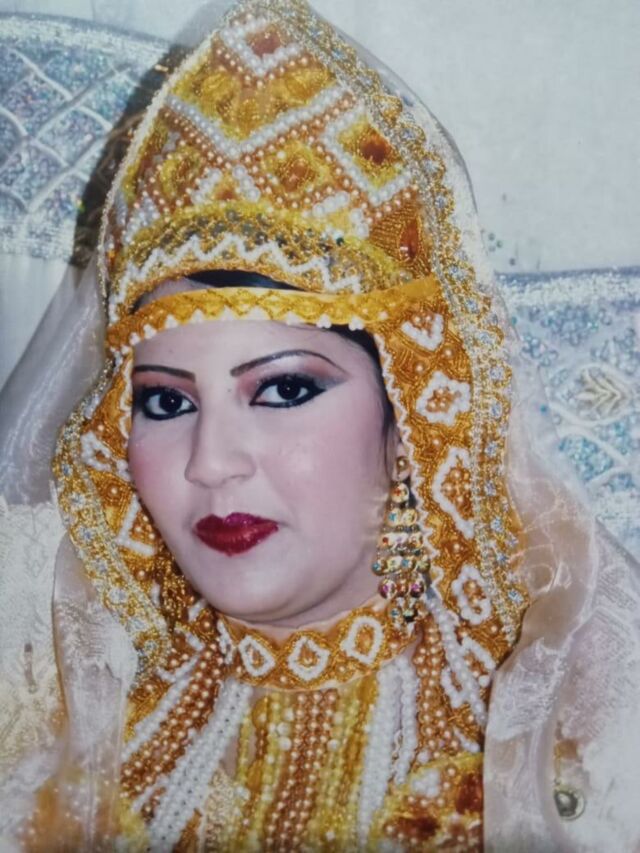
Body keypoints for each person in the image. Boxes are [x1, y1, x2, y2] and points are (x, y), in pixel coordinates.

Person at [1, 0, 639, 849]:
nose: (211, 462)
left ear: (413, 412)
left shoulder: (572, 731)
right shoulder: (50, 706)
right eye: (166, 401)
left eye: (284, 389)